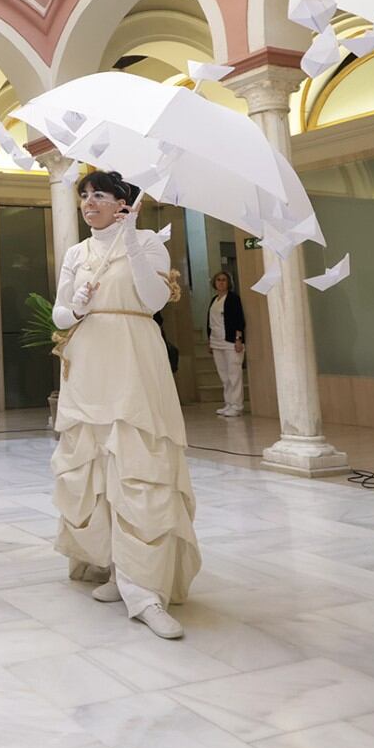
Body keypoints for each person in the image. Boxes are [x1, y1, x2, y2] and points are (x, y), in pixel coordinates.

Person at [50, 170, 199, 640]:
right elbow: (58, 313)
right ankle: (118, 569)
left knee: (138, 465)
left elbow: (154, 299)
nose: (89, 202)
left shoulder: (150, 242)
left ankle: (146, 588)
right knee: (96, 466)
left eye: (100, 195)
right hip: (89, 359)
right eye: (84, 196)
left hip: (134, 356)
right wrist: (75, 305)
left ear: (123, 203)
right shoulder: (77, 252)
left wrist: (133, 240)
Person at [206, 270, 246, 417]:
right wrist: (210, 341)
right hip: (216, 341)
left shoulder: (233, 299)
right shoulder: (214, 300)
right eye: (218, 280)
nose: (221, 282)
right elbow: (210, 322)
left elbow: (238, 320)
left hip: (230, 341)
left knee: (234, 374)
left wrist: (238, 339)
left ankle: (237, 405)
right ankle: (228, 403)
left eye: (224, 280)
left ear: (228, 282)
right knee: (224, 375)